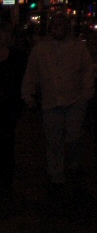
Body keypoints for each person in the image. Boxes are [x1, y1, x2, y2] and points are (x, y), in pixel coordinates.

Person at [21, 12, 95, 194]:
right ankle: (56, 173)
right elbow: (32, 73)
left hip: (75, 99)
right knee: (53, 139)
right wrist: (28, 94)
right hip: (51, 100)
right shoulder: (40, 49)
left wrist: (87, 92)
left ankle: (73, 163)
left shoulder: (78, 47)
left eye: (62, 26)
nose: (58, 29)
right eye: (55, 26)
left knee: (73, 135)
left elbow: (88, 70)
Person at [0, 21, 28, 214]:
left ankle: (6, 181)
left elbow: (23, 80)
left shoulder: (17, 57)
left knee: (7, 142)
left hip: (9, 107)